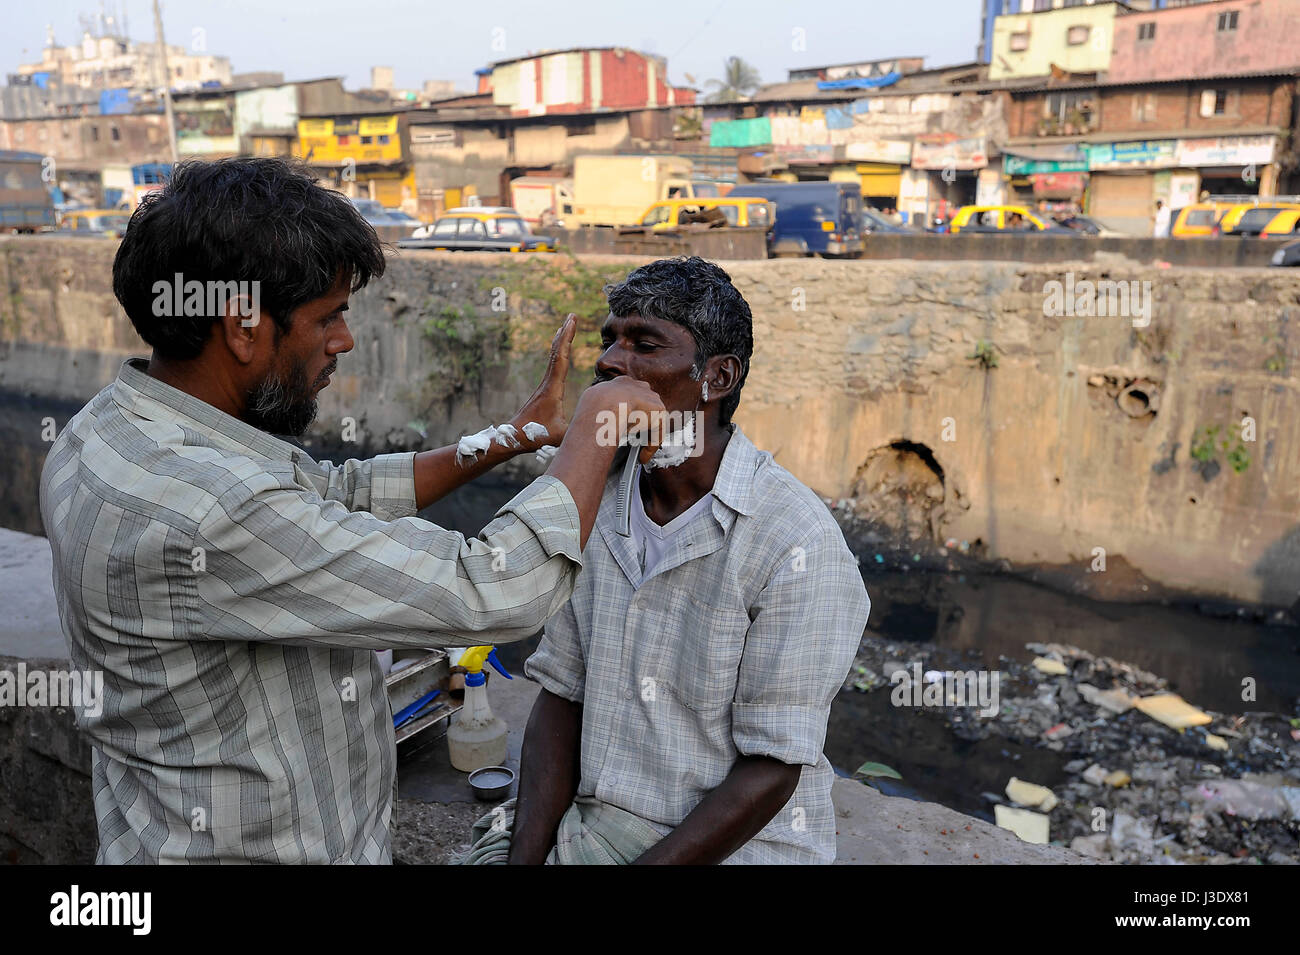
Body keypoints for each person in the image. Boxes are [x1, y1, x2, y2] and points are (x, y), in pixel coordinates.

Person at [38, 157, 664, 864]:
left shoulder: (108, 429)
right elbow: (496, 590)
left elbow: (330, 494)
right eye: (329, 315)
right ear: (243, 328)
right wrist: (591, 432)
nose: (346, 340)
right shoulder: (210, 507)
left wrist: (509, 439)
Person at [458, 257, 870, 864]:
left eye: (644, 345)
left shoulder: (795, 540)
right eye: (609, 342)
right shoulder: (594, 495)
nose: (609, 363)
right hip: (598, 818)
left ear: (717, 377)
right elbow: (563, 692)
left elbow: (773, 765)